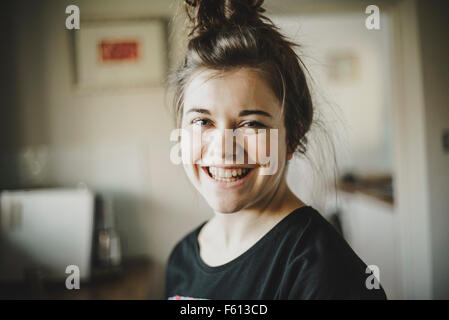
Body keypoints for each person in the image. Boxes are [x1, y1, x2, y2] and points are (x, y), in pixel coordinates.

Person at [165, 0, 387, 300]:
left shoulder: (323, 270)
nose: (223, 149)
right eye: (202, 121)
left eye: (251, 124)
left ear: (292, 138)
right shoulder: (181, 260)